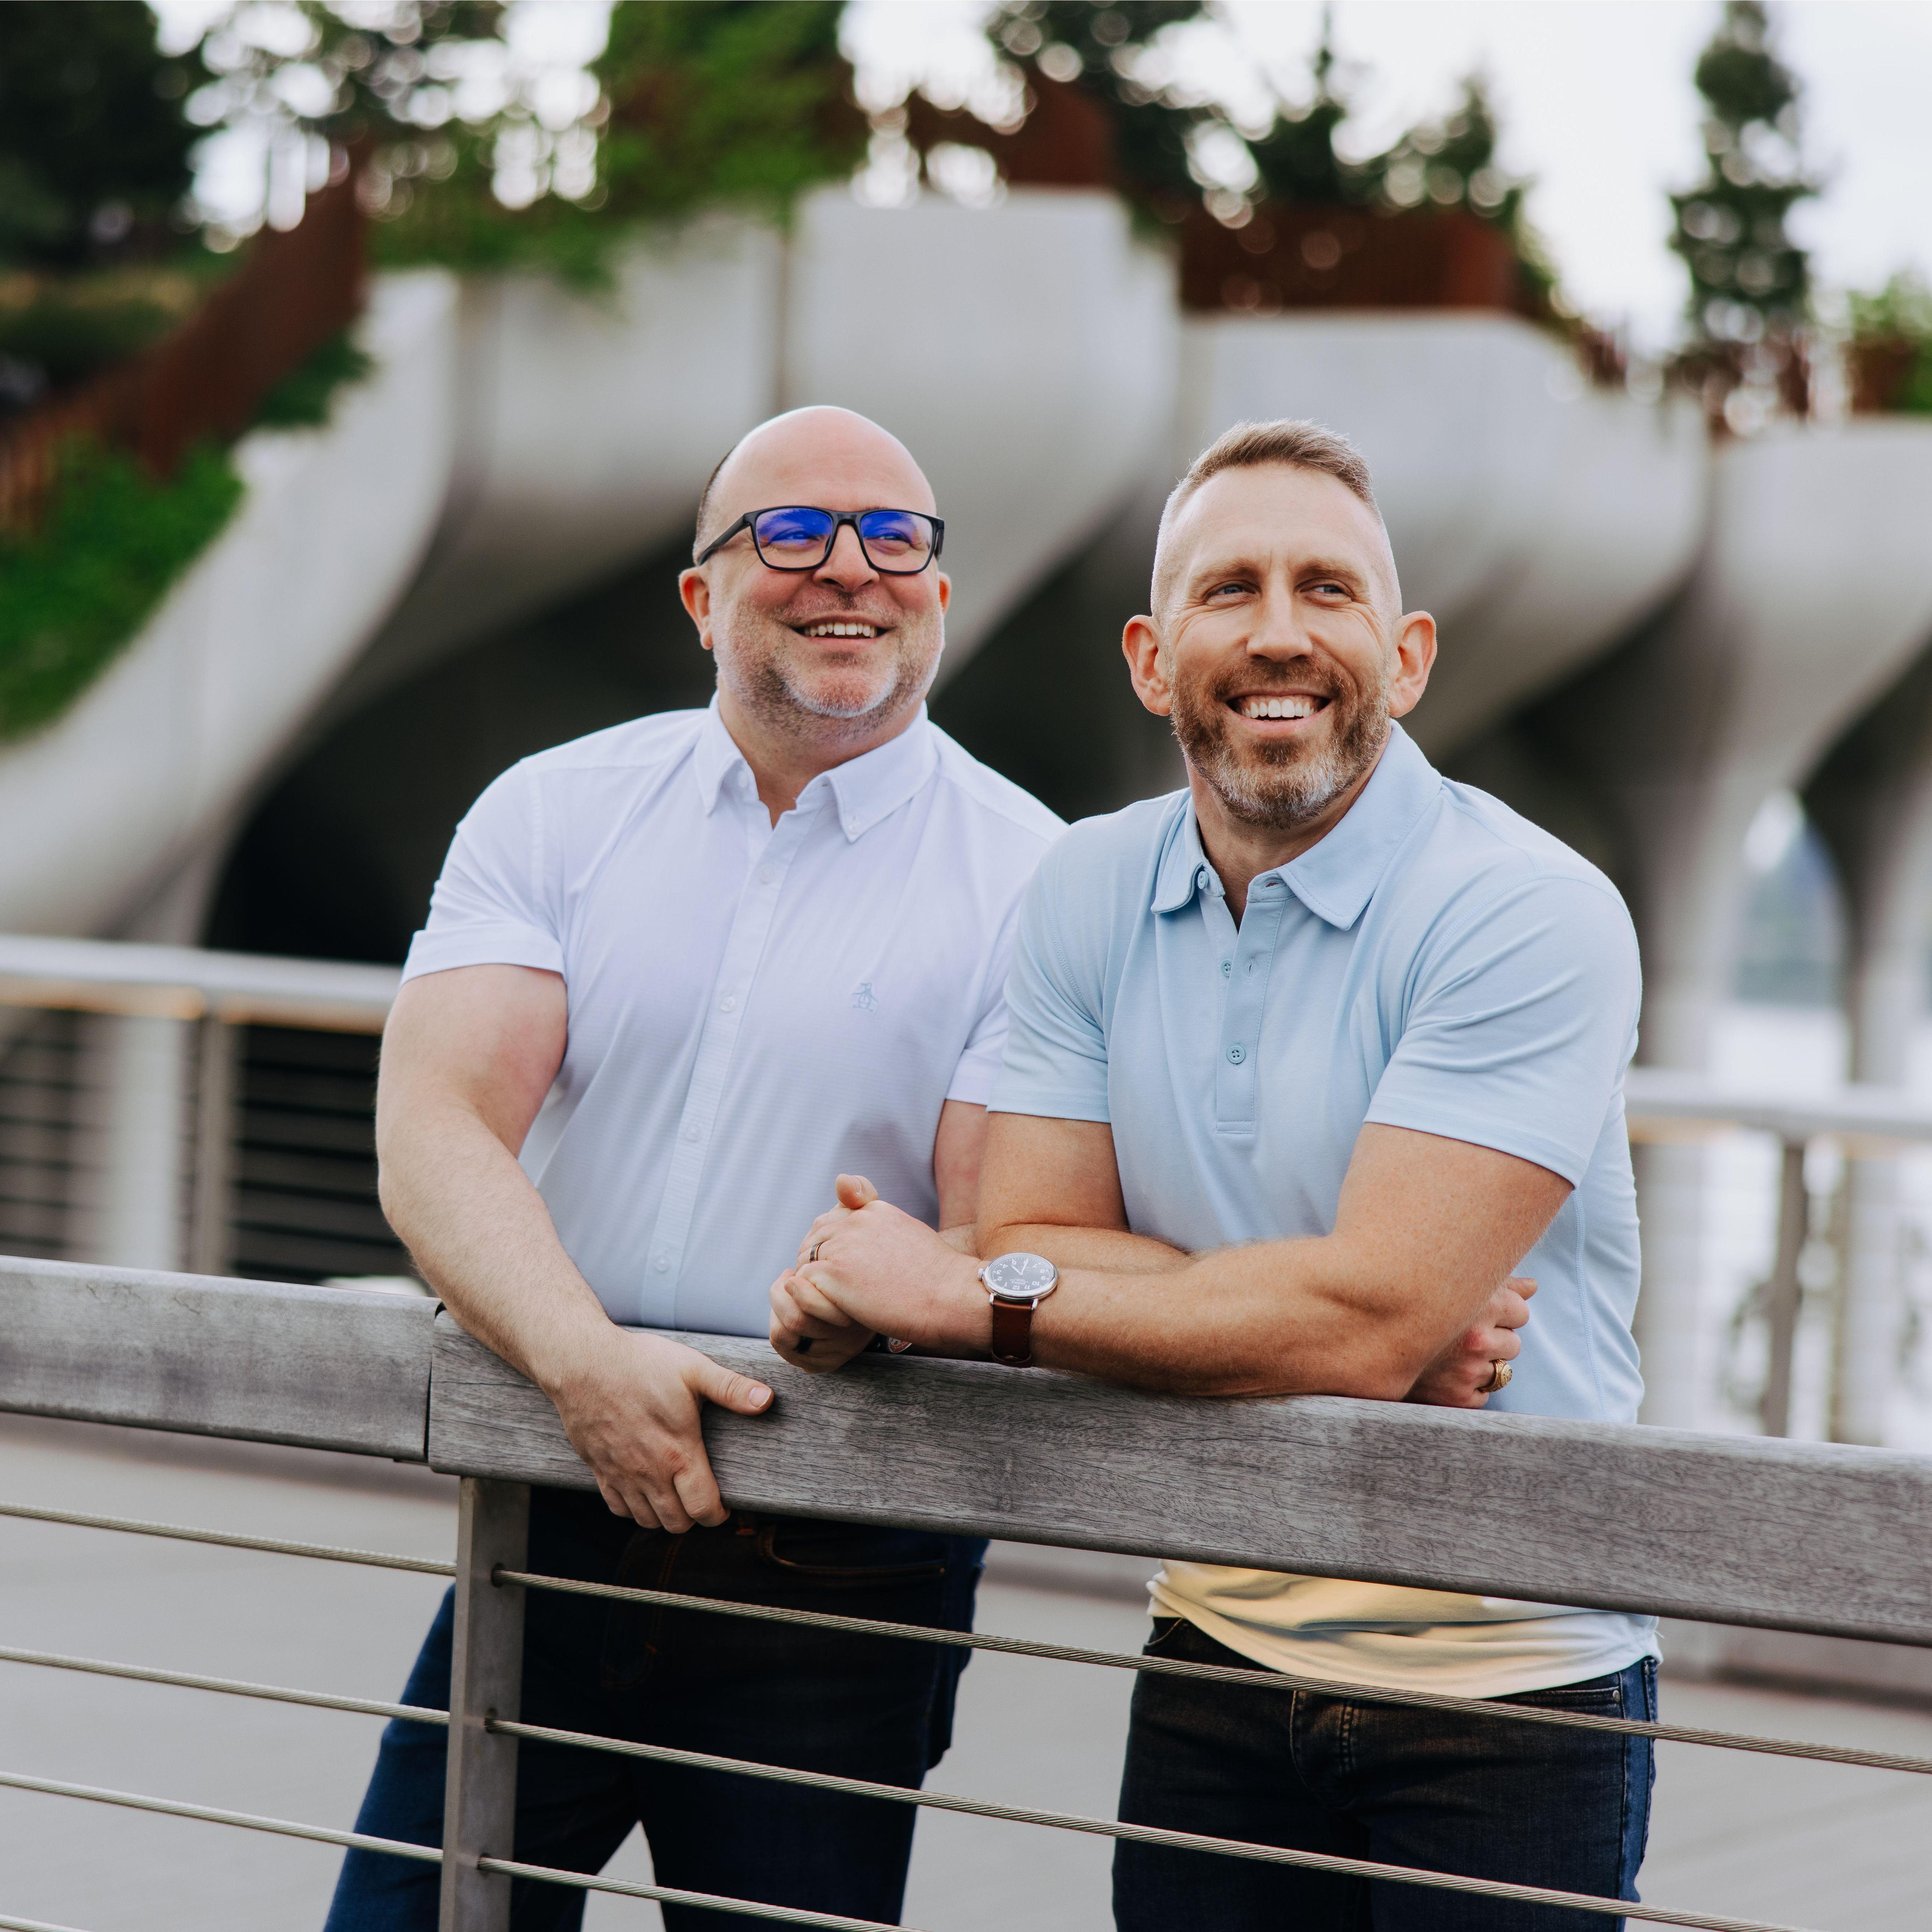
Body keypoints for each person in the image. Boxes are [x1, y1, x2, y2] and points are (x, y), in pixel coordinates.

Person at [772, 418, 1655, 1931]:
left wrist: (969, 1297)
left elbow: (1355, 1317)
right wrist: (1332, 1321)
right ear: (1146, 650)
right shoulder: (1086, 887)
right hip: (1210, 1653)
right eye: (1226, 587)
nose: (1276, 632)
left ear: (1407, 652)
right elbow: (1044, 1232)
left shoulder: (1524, 909)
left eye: (1325, 588)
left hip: (1505, 1692)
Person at [324, 405, 1064, 1931]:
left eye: (895, 538)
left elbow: (996, 1223)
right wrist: (583, 1362)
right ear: (701, 595)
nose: (847, 567)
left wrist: (887, 1290)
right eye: (791, 531)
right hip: (548, 1491)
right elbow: (435, 1126)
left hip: (843, 1554)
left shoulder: (1036, 877)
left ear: (937, 589)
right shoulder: (558, 810)